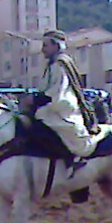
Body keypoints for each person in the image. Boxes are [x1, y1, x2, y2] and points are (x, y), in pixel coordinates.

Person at [32, 29, 98, 165]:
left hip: (62, 105)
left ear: (56, 46)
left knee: (46, 119)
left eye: (45, 45)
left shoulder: (59, 64)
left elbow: (56, 92)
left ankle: (75, 159)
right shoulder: (53, 64)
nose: (42, 49)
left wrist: (35, 100)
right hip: (54, 103)